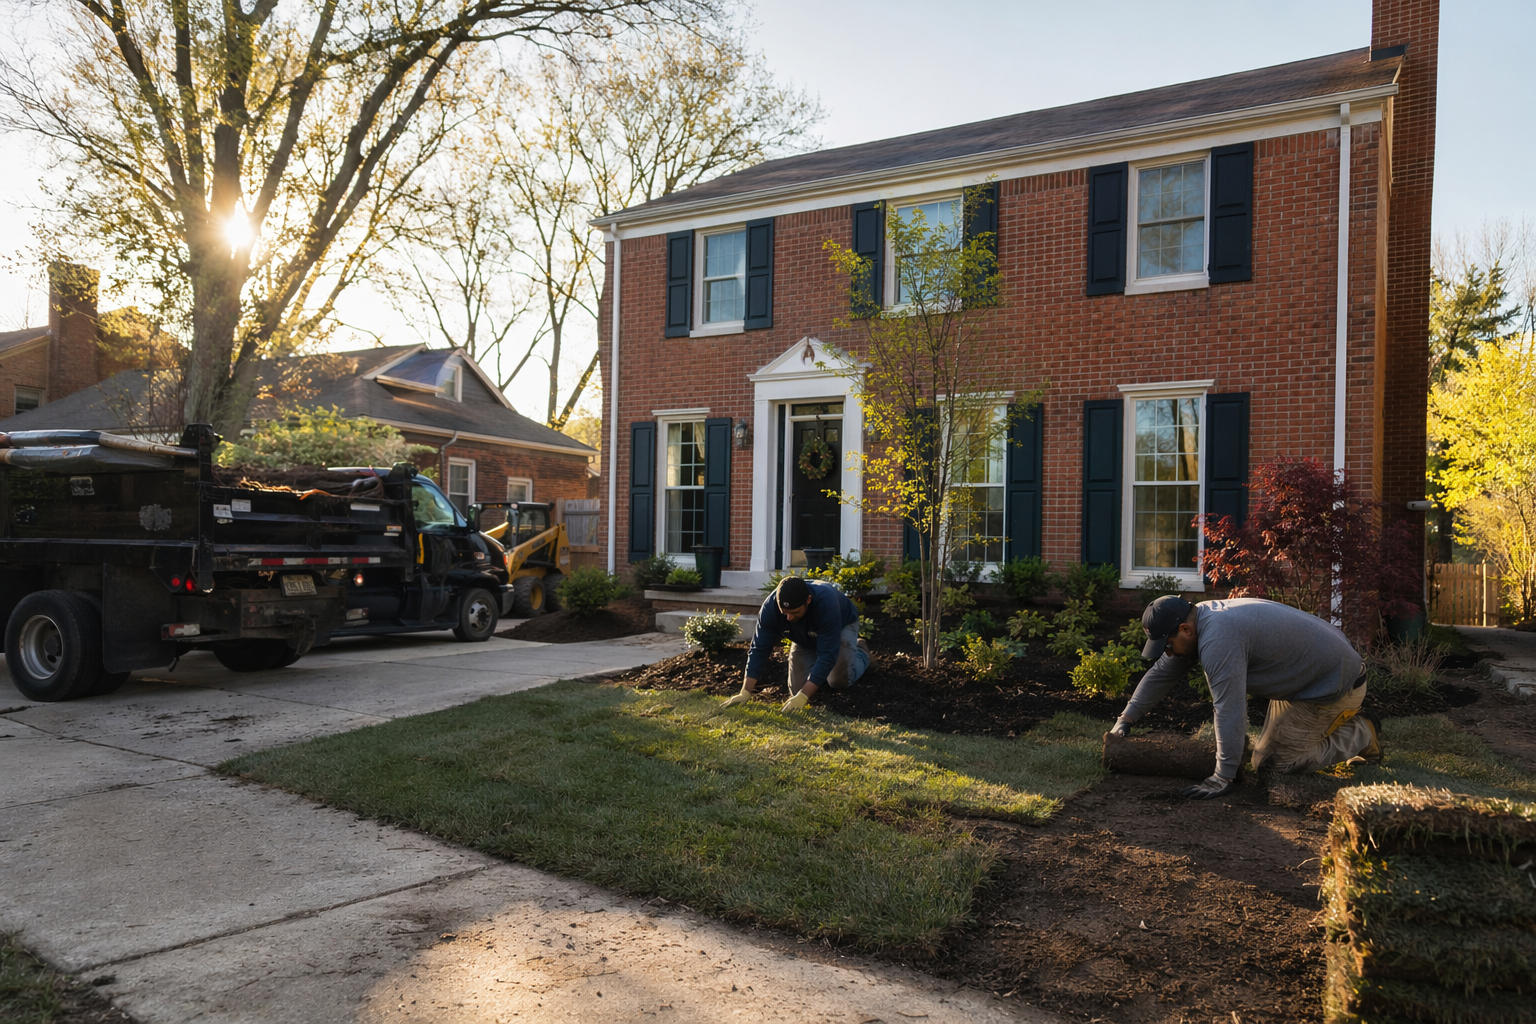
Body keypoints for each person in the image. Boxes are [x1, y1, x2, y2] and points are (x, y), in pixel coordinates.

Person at [1112, 595, 1382, 800]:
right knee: (1263, 758)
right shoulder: (1201, 618)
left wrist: (1222, 777)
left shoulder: (1218, 639)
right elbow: (1162, 672)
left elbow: (1229, 708)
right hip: (1305, 679)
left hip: (1332, 686)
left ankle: (1362, 732)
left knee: (1275, 765)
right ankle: (1334, 728)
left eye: (1168, 646)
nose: (1168, 653)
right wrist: (1126, 718)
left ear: (1185, 630)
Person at [721, 575, 870, 711]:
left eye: (795, 612)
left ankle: (861, 652)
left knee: (838, 679)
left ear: (808, 600)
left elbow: (827, 655)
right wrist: (745, 692)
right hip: (804, 636)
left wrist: (804, 697)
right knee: (797, 688)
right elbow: (759, 649)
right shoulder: (769, 608)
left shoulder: (826, 603)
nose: (789, 619)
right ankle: (820, 675)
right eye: (784, 612)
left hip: (841, 626)